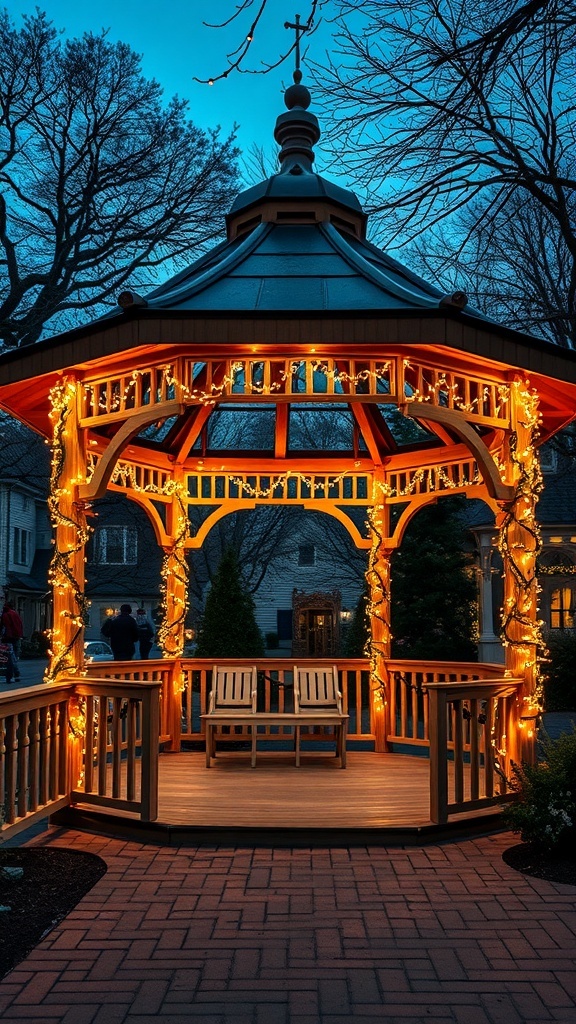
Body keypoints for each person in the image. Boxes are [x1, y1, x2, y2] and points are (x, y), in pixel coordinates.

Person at [0, 600, 24, 684]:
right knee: (14, 656)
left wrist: (3, 636)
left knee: (10, 657)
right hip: (16, 637)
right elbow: (20, 624)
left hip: (8, 638)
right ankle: (16, 674)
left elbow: (4, 626)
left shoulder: (5, 615)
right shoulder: (15, 614)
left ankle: (11, 674)